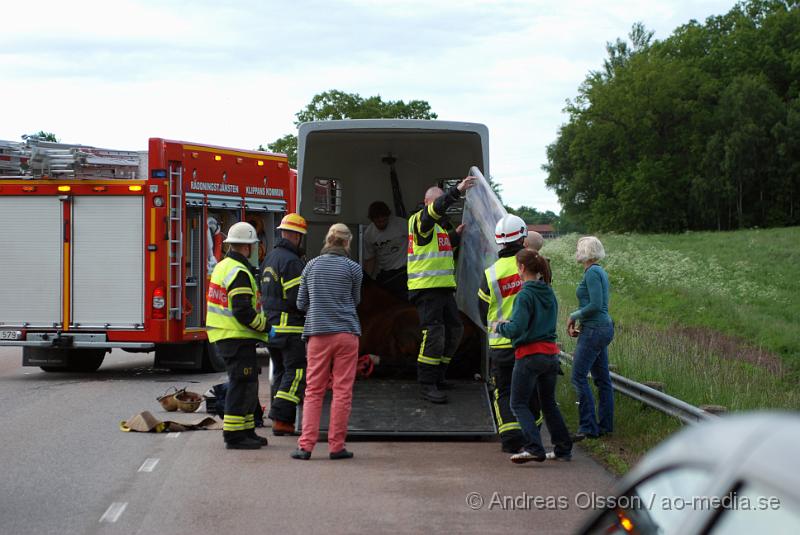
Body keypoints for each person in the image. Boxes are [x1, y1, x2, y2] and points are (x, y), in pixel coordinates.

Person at [292, 224, 363, 461]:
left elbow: (300, 303)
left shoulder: (310, 266)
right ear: (347, 242)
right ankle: (336, 447)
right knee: (342, 391)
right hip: (346, 334)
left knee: (313, 390)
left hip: (318, 334)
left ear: (328, 240)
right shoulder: (354, 269)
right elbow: (355, 300)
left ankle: (306, 447)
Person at [494, 249, 572, 464]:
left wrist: (499, 327)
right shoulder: (549, 292)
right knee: (548, 404)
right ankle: (563, 448)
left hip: (529, 356)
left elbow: (517, 328)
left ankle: (534, 448)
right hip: (550, 356)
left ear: (521, 268)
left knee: (517, 403)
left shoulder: (524, 294)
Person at [407, 176, 476, 403]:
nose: (444, 208)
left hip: (442, 289)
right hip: (427, 289)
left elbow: (442, 246)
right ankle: (427, 383)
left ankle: (439, 376)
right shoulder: (421, 221)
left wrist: (456, 235)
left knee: (454, 331)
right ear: (429, 203)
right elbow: (437, 208)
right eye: (439, 203)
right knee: (434, 334)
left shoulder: (436, 229)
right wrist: (456, 190)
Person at [478, 214, 542, 453]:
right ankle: (532, 436)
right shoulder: (534, 267)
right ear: (523, 238)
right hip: (531, 343)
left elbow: (482, 307)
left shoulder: (491, 273)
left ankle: (510, 437)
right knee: (531, 389)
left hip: (501, 344)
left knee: (504, 391)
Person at [206, 222, 271, 450]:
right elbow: (242, 310)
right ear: (248, 247)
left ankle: (246, 430)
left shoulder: (224, 266)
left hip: (229, 336)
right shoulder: (239, 271)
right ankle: (234, 435)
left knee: (247, 383)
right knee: (241, 384)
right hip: (235, 337)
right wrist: (264, 325)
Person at [260, 213, 308, 436]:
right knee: (297, 372)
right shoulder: (292, 262)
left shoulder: (270, 258)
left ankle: (280, 418)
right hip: (290, 329)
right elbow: (297, 299)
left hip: (272, 328)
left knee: (280, 371)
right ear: (297, 236)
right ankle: (281, 419)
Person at [567, 236, 614, 441]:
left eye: (579, 249)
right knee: (603, 380)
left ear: (586, 252)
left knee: (578, 376)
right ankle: (605, 425)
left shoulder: (592, 273)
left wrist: (574, 316)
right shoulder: (598, 271)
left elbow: (595, 305)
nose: (576, 252)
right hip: (600, 328)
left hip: (595, 329)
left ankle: (588, 426)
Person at [363, 201, 408, 300]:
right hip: (386, 273)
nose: (381, 223)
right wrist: (367, 280)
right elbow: (370, 259)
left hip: (404, 271)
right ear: (372, 220)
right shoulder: (369, 234)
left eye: (384, 220)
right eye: (378, 222)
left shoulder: (402, 224)